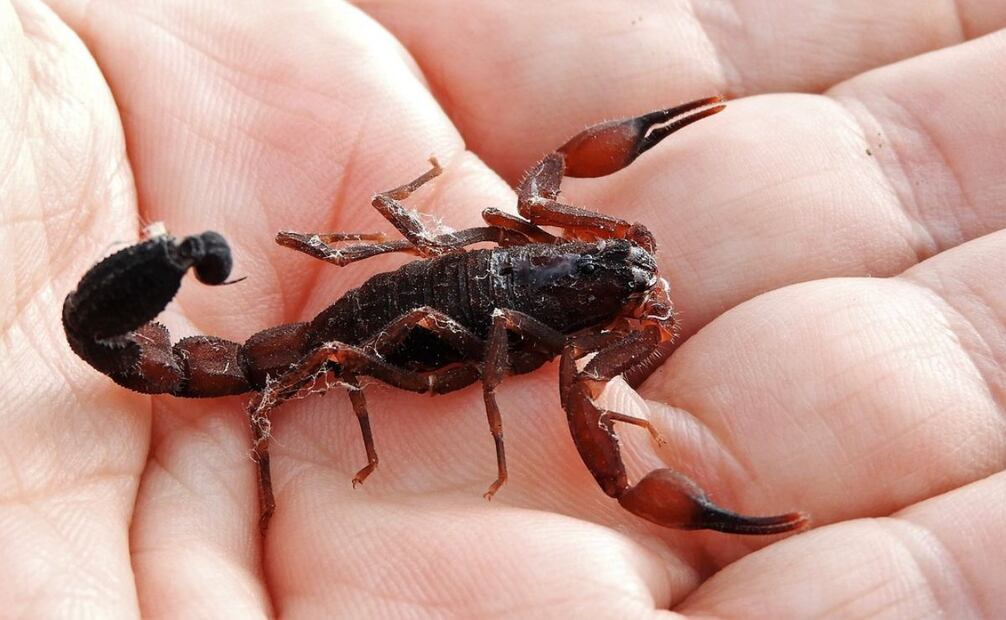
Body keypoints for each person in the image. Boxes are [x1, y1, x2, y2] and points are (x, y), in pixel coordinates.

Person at [3, 0, 1004, 616]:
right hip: (390, 323)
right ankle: (209, 298)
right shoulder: (579, 330)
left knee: (465, 298)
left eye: (617, 256)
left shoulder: (575, 267)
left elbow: (540, 191)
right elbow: (532, 225)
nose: (631, 262)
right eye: (621, 262)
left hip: (441, 285)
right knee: (436, 321)